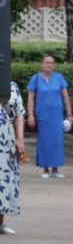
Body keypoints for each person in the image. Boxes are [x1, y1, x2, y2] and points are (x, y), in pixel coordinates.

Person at [26, 54, 72, 177]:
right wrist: (30, 115)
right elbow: (30, 98)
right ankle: (45, 169)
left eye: (52, 63)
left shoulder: (59, 77)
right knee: (44, 141)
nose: (49, 65)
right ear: (42, 64)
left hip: (57, 114)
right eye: (47, 63)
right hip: (42, 115)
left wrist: (69, 114)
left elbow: (66, 97)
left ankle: (55, 169)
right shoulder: (35, 78)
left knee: (57, 141)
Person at [0, 82, 26, 235]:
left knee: (3, 180)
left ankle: (0, 223)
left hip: (5, 141)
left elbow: (19, 113)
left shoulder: (11, 86)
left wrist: (20, 138)